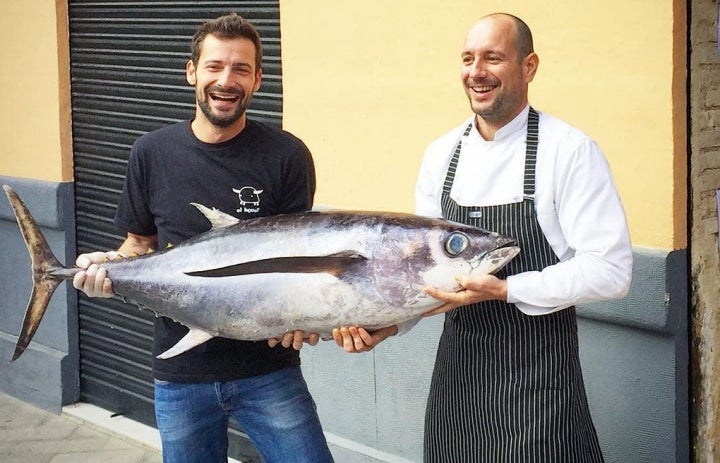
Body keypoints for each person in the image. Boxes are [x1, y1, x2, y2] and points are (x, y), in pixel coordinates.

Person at [333, 12, 632, 462]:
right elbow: (423, 278)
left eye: (493, 58)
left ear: (528, 67)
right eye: (468, 58)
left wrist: (507, 289)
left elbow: (611, 271)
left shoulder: (568, 151)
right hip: (459, 382)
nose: (477, 72)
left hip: (539, 389)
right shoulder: (441, 155)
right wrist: (386, 325)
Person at [72, 13, 334, 463]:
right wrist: (107, 269)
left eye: (241, 69)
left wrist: (306, 321)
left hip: (269, 372)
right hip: (179, 374)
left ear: (258, 80)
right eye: (214, 66)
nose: (226, 80)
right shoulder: (150, 151)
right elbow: (138, 247)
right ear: (191, 70)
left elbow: (297, 263)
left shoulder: (288, 155)